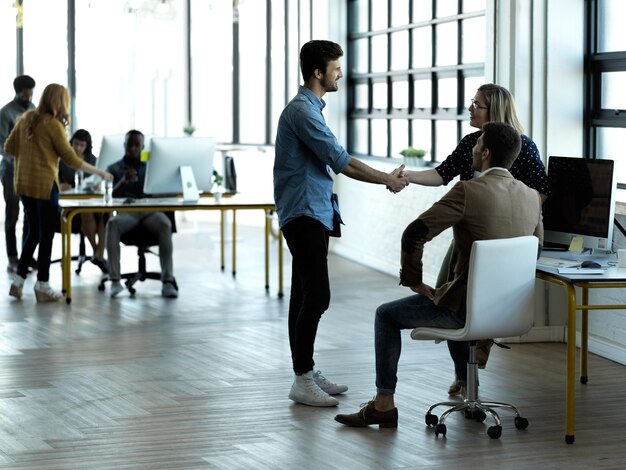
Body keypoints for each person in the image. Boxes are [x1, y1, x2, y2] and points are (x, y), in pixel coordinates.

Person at [334, 121, 544, 428]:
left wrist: (415, 281)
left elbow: (414, 233)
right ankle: (470, 391)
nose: (471, 148)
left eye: (476, 144)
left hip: (465, 312)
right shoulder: (532, 197)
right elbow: (535, 250)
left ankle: (383, 405)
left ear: (485, 153)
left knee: (386, 315)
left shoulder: (469, 190)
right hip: (510, 313)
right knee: (456, 301)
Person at [274, 39, 409, 407]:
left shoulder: (311, 109)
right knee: (318, 294)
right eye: (335, 68)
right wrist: (387, 179)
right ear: (318, 73)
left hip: (310, 210)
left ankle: (304, 369)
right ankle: (302, 378)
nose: (340, 74)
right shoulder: (302, 112)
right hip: (303, 213)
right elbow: (341, 161)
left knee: (303, 293)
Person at [404, 83, 549, 395]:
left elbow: (540, 191)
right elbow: (442, 174)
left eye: (477, 104)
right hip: (469, 241)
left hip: (504, 246)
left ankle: (477, 354)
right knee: (452, 302)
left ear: (493, 110)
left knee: (473, 306)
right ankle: (465, 376)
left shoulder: (521, 146)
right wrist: (406, 177)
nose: (470, 108)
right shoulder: (471, 142)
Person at [5, 83, 113, 302]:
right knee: (45, 236)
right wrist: (100, 172)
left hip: (24, 185)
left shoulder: (24, 119)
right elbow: (72, 159)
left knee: (33, 233)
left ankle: (18, 282)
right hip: (45, 186)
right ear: (59, 102)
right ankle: (42, 286)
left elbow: (9, 148)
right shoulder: (53, 125)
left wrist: (30, 156)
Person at [105, 130, 178, 299]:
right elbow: (109, 196)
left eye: (137, 145)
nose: (132, 149)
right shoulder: (114, 168)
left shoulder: (152, 168)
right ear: (124, 146)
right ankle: (115, 280)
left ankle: (168, 280)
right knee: (112, 224)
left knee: (165, 223)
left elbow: (163, 191)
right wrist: (123, 182)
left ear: (143, 147)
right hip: (127, 213)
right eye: (129, 145)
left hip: (149, 213)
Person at [58, 129, 109, 273]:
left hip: (91, 199)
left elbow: (98, 178)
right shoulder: (63, 160)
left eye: (82, 145)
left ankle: (98, 255)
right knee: (86, 213)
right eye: (76, 144)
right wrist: (61, 185)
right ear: (71, 143)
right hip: (71, 203)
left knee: (104, 214)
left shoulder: (93, 160)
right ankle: (98, 253)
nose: (78, 148)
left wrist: (98, 184)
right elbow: (54, 179)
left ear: (87, 146)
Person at [0, 75, 36, 273]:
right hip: (11, 170)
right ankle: (12, 257)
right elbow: (1, 144)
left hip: (31, 171)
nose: (29, 95)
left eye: (31, 92)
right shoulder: (6, 112)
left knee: (30, 214)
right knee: (12, 214)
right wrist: (17, 157)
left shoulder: (34, 110)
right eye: (26, 92)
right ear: (18, 91)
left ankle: (26, 256)